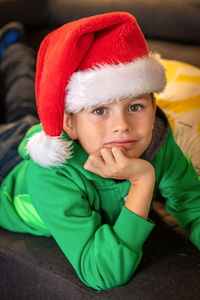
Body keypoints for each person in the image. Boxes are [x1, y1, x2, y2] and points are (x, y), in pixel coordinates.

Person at [0, 12, 199, 291]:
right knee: (22, 105)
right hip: (6, 165)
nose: (122, 126)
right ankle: (14, 52)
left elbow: (193, 204)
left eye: (135, 107)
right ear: (70, 123)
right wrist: (142, 181)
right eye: (100, 110)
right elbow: (102, 273)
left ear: (154, 110)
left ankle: (12, 50)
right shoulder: (51, 175)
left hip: (56, 131)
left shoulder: (159, 141)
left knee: (24, 109)